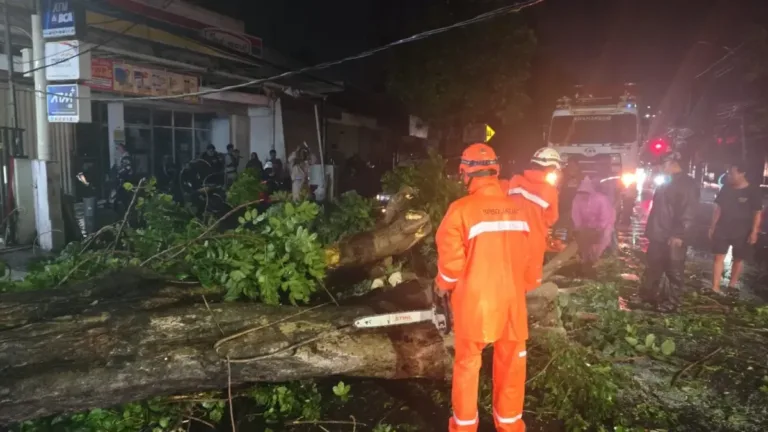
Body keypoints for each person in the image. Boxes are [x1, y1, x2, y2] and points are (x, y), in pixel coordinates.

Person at [435, 143, 532, 432]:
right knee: (512, 365)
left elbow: (451, 267)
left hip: (475, 304)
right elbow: (529, 258)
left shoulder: (460, 210)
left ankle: (464, 427)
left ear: (465, 173)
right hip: (512, 304)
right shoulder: (519, 210)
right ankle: (510, 426)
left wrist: (440, 287)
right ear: (496, 170)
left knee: (467, 365)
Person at [639, 152, 700, 312]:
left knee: (674, 271)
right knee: (653, 266)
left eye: (663, 164)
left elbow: (689, 212)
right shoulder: (667, 182)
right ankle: (647, 296)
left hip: (673, 236)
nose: (660, 168)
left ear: (673, 163)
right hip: (659, 233)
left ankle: (672, 302)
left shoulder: (687, 184)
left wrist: (679, 235)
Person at [503, 147, 562, 289]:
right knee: (529, 286)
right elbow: (551, 219)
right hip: (533, 244)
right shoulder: (549, 190)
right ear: (551, 168)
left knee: (508, 280)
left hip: (508, 240)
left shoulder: (515, 181)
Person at [708, 163, 763, 294]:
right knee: (718, 257)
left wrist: (754, 231)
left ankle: (732, 286)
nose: (729, 176)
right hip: (723, 227)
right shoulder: (726, 188)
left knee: (738, 258)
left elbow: (757, 212)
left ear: (742, 173)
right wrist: (712, 226)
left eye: (732, 173)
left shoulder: (752, 190)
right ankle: (715, 287)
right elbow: (718, 208)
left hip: (743, 230)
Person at [571, 177, 616, 278]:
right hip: (587, 226)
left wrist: (600, 229)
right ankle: (585, 261)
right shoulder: (577, 200)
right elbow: (576, 215)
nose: (584, 195)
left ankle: (597, 260)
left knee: (602, 241)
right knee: (584, 245)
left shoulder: (601, 199)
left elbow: (605, 216)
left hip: (604, 225)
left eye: (586, 193)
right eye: (582, 193)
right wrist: (578, 228)